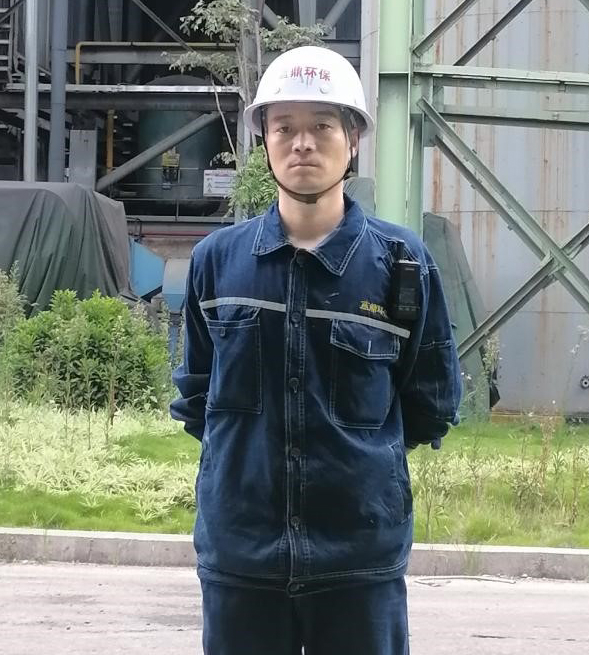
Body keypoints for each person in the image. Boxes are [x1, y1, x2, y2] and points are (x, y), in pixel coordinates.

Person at [170, 45, 462, 655]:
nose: (302, 143)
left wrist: (359, 463)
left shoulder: (401, 267)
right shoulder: (216, 264)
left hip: (359, 563)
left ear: (352, 140)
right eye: (284, 128)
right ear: (265, 141)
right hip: (242, 560)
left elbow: (431, 402)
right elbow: (198, 398)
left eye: (322, 126)